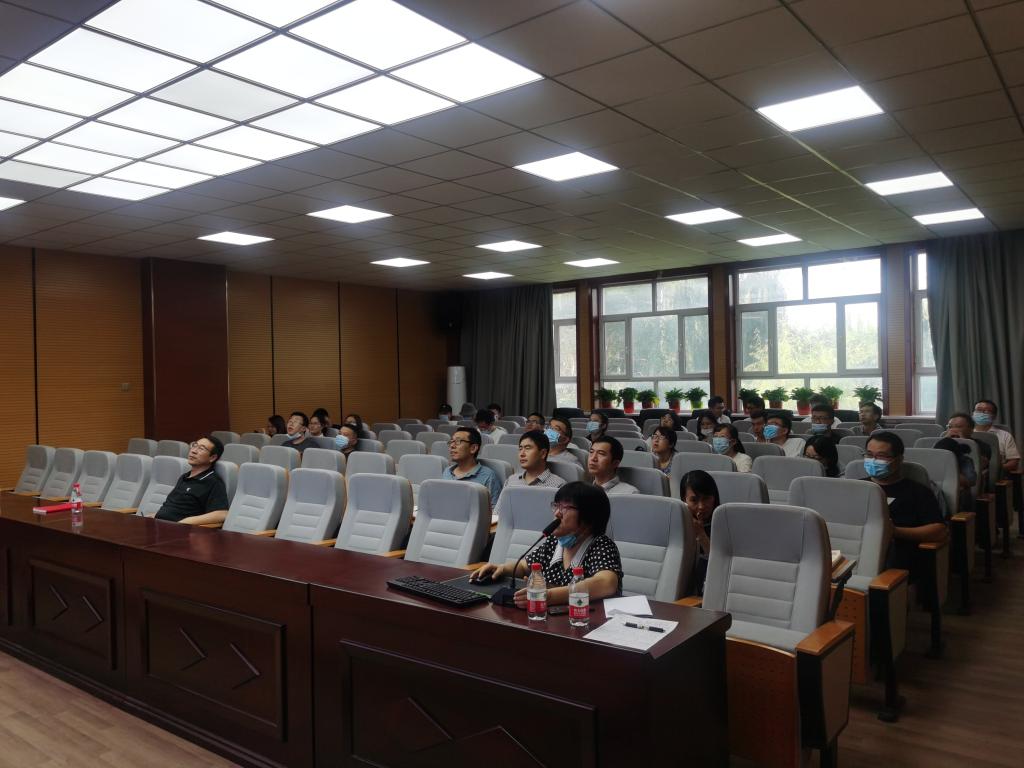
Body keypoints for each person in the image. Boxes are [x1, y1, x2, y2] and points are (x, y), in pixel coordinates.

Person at [471, 482, 623, 608]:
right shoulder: (554, 542)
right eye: (556, 506)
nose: (557, 513)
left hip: (585, 622)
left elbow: (606, 583)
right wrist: (502, 569)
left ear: (589, 516)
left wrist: (548, 596)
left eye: (565, 508)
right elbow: (526, 566)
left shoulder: (601, 545)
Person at [862, 432, 946, 586]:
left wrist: (895, 531)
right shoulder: (857, 487)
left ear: (899, 459)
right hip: (859, 549)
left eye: (881, 456)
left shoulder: (917, 491)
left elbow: (939, 530)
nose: (873, 461)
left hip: (899, 552)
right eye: (869, 455)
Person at [155, 436, 230, 525]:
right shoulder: (184, 477)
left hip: (179, 529)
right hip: (159, 524)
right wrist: (155, 516)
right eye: (194, 445)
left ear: (212, 458)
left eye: (201, 448)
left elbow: (222, 514)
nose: (193, 451)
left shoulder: (213, 481)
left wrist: (184, 522)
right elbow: (172, 507)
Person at [681, 470, 720, 596]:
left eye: (706, 498)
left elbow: (720, 567)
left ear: (714, 498)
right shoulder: (677, 524)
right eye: (694, 500)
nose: (701, 506)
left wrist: (701, 536)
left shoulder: (725, 524)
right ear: (684, 500)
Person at [443, 426, 503, 505]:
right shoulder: (447, 472)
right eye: (451, 441)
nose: (452, 446)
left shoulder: (489, 477)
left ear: (473, 448)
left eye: (458, 441)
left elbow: (494, 509)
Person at [972, 399, 1019, 473]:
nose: (981, 413)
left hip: (996, 475)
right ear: (973, 413)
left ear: (994, 416)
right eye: (979, 410)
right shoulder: (967, 434)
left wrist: (994, 470)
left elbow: (1014, 462)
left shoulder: (1005, 435)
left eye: (986, 411)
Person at [934, 436, 975, 514]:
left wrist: (951, 470)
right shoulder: (934, 460)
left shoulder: (965, 461)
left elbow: (971, 480)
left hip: (960, 498)